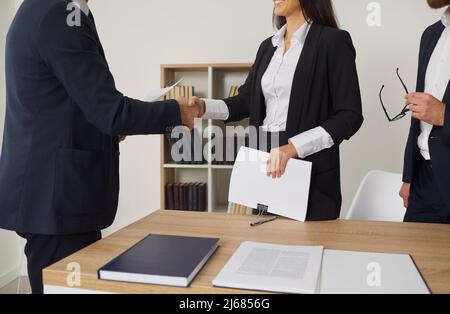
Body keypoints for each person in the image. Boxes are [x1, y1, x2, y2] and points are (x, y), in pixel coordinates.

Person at [0, 0, 198, 294]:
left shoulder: (49, 9)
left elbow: (66, 106)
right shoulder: (58, 12)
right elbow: (110, 111)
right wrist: (175, 113)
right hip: (56, 200)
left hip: (55, 197)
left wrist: (106, 131)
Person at [189, 0, 363, 221]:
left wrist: (292, 148)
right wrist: (204, 107)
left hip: (309, 166)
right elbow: (246, 100)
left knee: (305, 249)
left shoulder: (333, 41)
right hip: (265, 162)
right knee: (264, 243)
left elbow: (350, 115)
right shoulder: (268, 47)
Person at [400, 0, 450, 224]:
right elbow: (419, 115)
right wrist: (410, 175)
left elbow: (437, 113)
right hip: (424, 183)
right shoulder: (430, 35)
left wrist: (444, 116)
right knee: (408, 258)